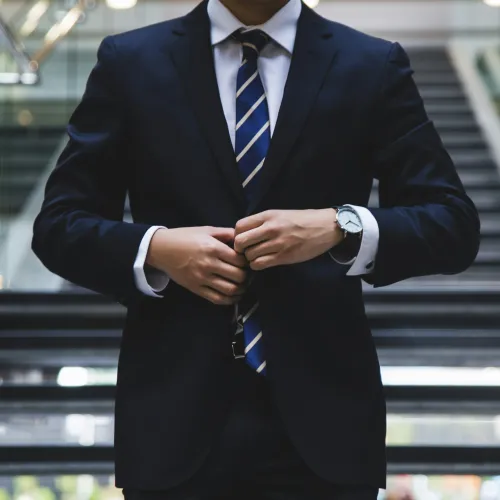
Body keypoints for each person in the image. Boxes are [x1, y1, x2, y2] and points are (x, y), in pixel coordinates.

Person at [31, 0, 480, 498]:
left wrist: (341, 225)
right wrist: (156, 247)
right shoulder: (131, 60)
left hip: (325, 428)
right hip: (172, 423)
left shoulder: (371, 63)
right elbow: (58, 226)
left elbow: (452, 224)